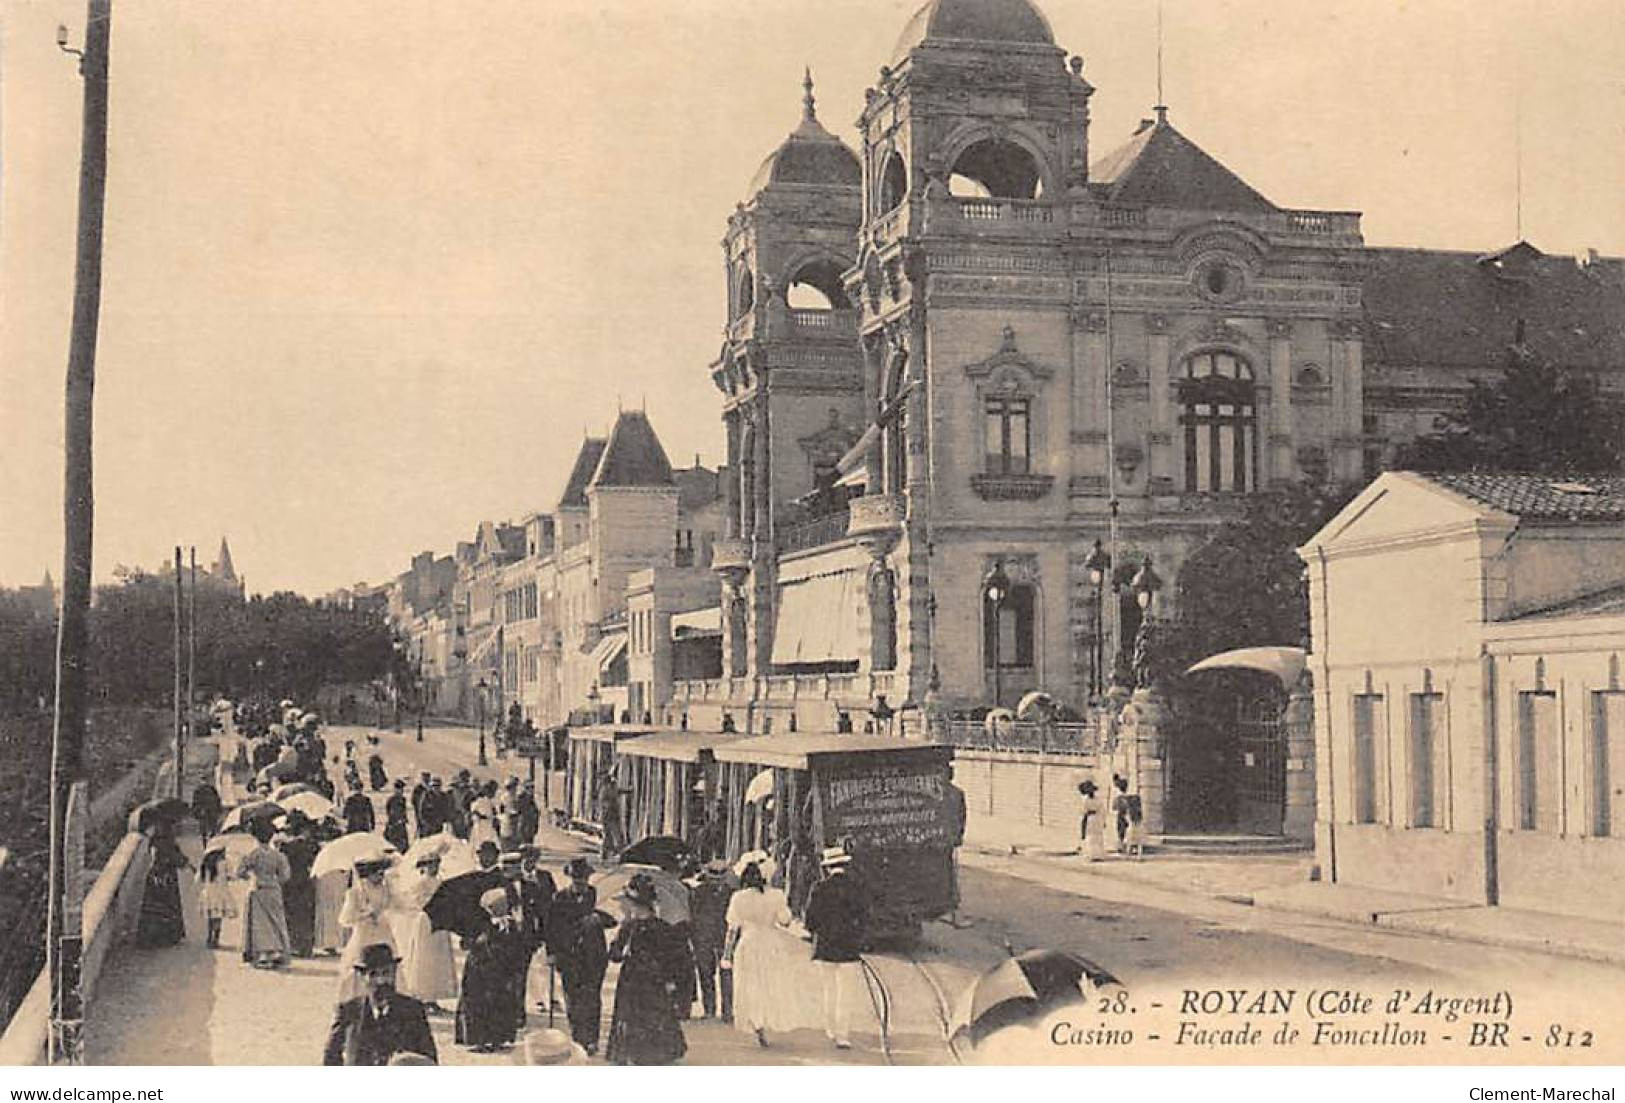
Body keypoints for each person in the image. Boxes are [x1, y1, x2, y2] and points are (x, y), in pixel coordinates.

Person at [605, 874, 687, 1066]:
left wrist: (620, 947)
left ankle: (635, 1052)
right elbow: (673, 959)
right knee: (654, 1015)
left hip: (633, 979)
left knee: (632, 1015)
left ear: (634, 904)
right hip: (655, 980)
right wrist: (670, 981)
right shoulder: (663, 927)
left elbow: (615, 956)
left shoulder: (630, 927)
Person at [323, 943, 438, 1066]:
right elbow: (330, 1058)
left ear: (394, 973)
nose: (381, 981)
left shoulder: (412, 1010)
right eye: (373, 974)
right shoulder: (348, 1012)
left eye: (385, 973)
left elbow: (430, 1061)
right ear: (362, 977)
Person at [724, 861, 799, 1047]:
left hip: (748, 944)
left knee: (750, 985)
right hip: (771, 944)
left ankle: (757, 1023)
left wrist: (727, 954)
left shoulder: (738, 898)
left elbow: (732, 929)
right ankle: (765, 1019)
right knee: (769, 984)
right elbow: (785, 921)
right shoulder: (776, 895)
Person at [547, 857, 616, 1056]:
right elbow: (551, 929)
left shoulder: (593, 895)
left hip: (594, 956)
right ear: (570, 879)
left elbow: (607, 919)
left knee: (592, 998)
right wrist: (552, 953)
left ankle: (591, 1040)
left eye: (584, 880)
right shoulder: (559, 899)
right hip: (569, 956)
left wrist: (597, 918)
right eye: (577, 880)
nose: (581, 884)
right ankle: (578, 1039)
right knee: (573, 1000)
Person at [803, 845, 868, 1050]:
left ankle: (830, 1028)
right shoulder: (856, 887)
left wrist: (817, 931)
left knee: (829, 989)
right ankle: (843, 1035)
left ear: (828, 867)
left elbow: (810, 921)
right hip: (849, 948)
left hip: (826, 947)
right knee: (846, 992)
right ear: (845, 866)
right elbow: (865, 917)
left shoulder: (819, 888)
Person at [456, 888, 523, 1053]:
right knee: (478, 1003)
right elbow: (464, 943)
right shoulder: (478, 923)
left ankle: (497, 1038)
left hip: (501, 968)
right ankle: (478, 1040)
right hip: (478, 969)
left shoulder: (510, 923)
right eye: (501, 905)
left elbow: (516, 945)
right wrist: (478, 941)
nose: (504, 907)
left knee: (501, 1002)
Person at [396, 855, 459, 1012]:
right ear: (423, 867)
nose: (434, 868)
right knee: (425, 958)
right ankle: (423, 997)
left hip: (440, 921)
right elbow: (412, 901)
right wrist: (428, 903)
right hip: (426, 922)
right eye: (431, 865)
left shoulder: (441, 882)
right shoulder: (420, 883)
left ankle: (433, 997)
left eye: (436, 864)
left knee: (439, 960)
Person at [236, 818, 292, 968]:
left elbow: (240, 871)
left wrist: (251, 876)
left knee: (260, 922)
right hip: (273, 889)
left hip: (258, 888)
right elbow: (285, 876)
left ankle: (263, 953)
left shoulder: (253, 854)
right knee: (276, 920)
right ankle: (277, 950)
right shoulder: (278, 855)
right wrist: (275, 879)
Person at [338, 858, 397, 999]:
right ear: (368, 874)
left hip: (383, 932)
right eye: (377, 874)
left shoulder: (385, 888)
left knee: (386, 965)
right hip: (363, 934)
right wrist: (364, 914)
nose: (380, 877)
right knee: (359, 969)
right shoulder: (356, 892)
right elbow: (345, 919)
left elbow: (394, 905)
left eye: (382, 874)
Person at [688, 860, 734, 1021]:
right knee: (707, 973)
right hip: (704, 937)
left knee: (724, 973)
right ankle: (711, 1009)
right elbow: (692, 915)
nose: (716, 880)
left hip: (720, 937)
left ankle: (726, 1010)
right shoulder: (698, 892)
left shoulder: (732, 893)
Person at [136, 820, 191, 948]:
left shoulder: (155, 841)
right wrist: (184, 862)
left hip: (156, 876)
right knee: (167, 905)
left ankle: (154, 936)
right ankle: (166, 936)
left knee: (155, 906)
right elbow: (176, 858)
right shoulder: (167, 843)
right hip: (165, 877)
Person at [278, 816, 320, 957]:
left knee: (291, 914)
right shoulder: (312, 846)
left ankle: (292, 944)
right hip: (305, 883)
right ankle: (306, 947)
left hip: (290, 883)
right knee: (306, 915)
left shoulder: (286, 846)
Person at [198, 847, 236, 949]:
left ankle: (209, 938)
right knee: (218, 918)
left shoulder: (205, 864)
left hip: (208, 892)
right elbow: (232, 875)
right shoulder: (224, 863)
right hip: (220, 892)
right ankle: (216, 939)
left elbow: (198, 879)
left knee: (210, 918)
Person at [1113, 775, 1145, 859]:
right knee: (1132, 834)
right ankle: (1132, 850)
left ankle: (1124, 849)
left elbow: (1115, 807)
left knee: (1123, 831)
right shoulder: (1130, 797)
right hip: (1128, 816)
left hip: (1124, 815)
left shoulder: (1119, 797)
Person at [1078, 780, 1107, 861]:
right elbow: (1084, 812)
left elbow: (1102, 810)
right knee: (1092, 836)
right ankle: (1092, 854)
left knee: (1097, 836)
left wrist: (1103, 820)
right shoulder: (1086, 800)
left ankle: (1097, 855)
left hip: (1095, 818)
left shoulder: (1095, 799)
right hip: (1092, 818)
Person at [384, 780, 411, 854]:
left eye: (402, 789)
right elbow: (390, 812)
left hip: (401, 825)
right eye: (399, 789)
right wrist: (395, 821)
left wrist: (405, 819)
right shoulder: (392, 800)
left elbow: (403, 811)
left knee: (404, 845)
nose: (401, 791)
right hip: (394, 825)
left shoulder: (403, 799)